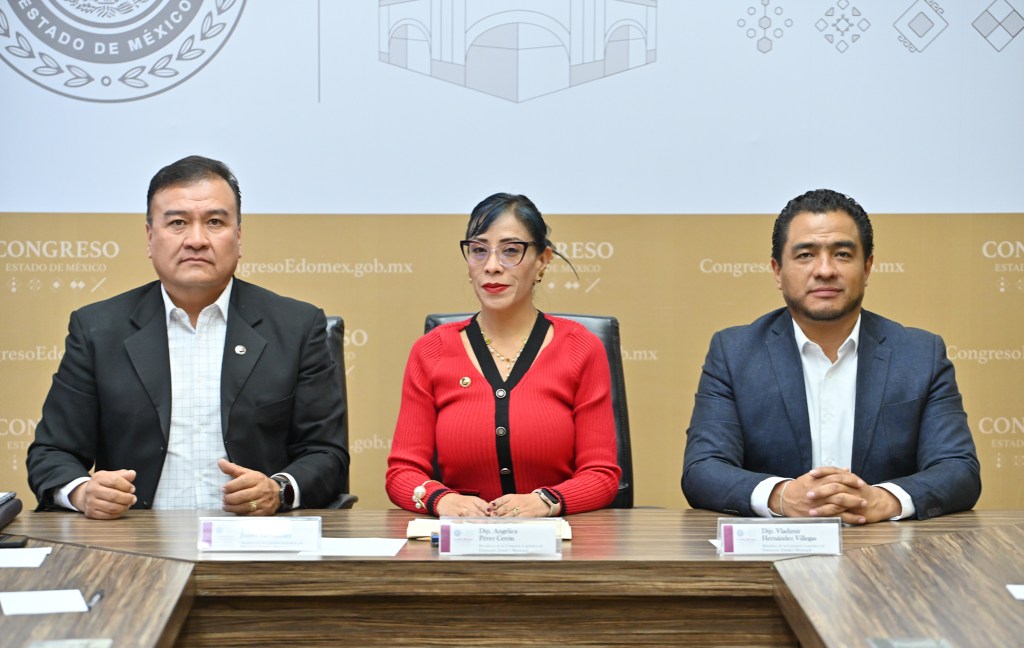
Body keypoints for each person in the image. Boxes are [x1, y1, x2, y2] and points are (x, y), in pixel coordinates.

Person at [27, 155, 349, 519]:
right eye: (178, 223)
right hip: (137, 544)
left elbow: (326, 454)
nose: (197, 240)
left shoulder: (296, 326)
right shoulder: (98, 329)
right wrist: (84, 492)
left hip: (258, 541)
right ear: (150, 238)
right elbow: (51, 453)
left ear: (238, 237)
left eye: (215, 222)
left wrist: (278, 489)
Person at [682, 188, 980, 524]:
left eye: (841, 254)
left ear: (866, 268)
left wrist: (883, 501)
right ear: (777, 270)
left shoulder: (919, 354)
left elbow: (958, 469)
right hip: (772, 553)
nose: (824, 270)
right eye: (806, 255)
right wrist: (783, 496)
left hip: (888, 556)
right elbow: (703, 469)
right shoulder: (734, 353)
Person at [385, 193, 620, 517]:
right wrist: (442, 500)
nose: (492, 266)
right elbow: (402, 474)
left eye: (511, 251)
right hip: (461, 546)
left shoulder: (581, 348)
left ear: (542, 260)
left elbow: (601, 477)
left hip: (558, 547)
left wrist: (545, 502)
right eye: (479, 250)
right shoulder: (432, 351)